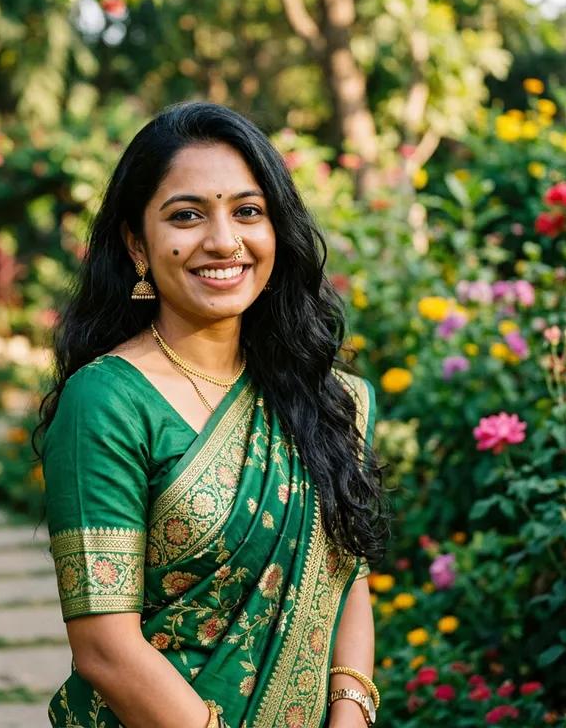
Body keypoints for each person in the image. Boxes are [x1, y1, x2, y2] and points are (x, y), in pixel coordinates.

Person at [37, 102, 389, 728]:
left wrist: (350, 711)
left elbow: (345, 578)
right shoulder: (108, 402)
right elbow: (105, 650)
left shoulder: (326, 398)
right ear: (137, 243)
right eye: (187, 216)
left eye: (247, 211)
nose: (224, 240)